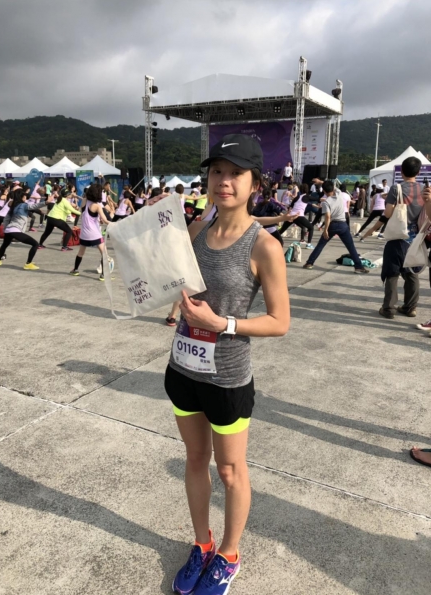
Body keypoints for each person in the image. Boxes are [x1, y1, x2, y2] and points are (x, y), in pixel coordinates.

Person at [166, 134, 290, 595]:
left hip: (228, 378)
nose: (224, 180)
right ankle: (202, 543)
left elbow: (280, 322)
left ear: (255, 183)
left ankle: (229, 554)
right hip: (183, 370)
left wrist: (223, 324)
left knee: (230, 471)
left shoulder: (264, 246)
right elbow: (170, 282)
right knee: (195, 459)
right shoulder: (195, 230)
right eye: (217, 170)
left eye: (236, 172)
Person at [379, 157, 425, 319]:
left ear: (402, 171)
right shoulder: (425, 189)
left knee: (392, 272)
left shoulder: (396, 188)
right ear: (418, 172)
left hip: (398, 236)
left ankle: (389, 308)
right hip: (416, 237)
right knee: (412, 273)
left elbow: (388, 213)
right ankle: (410, 307)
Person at [303, 181, 370, 274]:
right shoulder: (339, 194)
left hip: (332, 225)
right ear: (332, 189)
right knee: (351, 247)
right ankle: (359, 267)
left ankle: (309, 263)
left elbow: (327, 217)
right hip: (343, 225)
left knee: (320, 245)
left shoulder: (326, 202)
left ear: (324, 191)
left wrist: (325, 229)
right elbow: (334, 187)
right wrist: (321, 181)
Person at [69, 183, 111, 281]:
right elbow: (105, 220)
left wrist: (97, 219)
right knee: (104, 253)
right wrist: (116, 224)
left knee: (81, 252)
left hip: (84, 234)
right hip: (94, 234)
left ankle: (75, 269)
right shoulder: (97, 206)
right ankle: (103, 275)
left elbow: (87, 216)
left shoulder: (84, 201)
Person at [0, 187, 45, 269]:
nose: (26, 198)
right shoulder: (23, 205)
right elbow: (34, 206)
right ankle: (28, 264)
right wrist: (46, 202)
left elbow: (6, 219)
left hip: (8, 230)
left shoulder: (14, 206)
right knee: (35, 244)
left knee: (5, 244)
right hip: (15, 230)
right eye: (25, 196)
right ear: (21, 197)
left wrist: (5, 230)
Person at [279, 183, 315, 248]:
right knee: (311, 227)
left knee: (281, 230)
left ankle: (270, 239)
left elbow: (290, 207)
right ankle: (309, 244)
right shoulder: (306, 196)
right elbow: (316, 199)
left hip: (291, 216)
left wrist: (288, 215)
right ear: (307, 189)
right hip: (299, 216)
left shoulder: (297, 197)